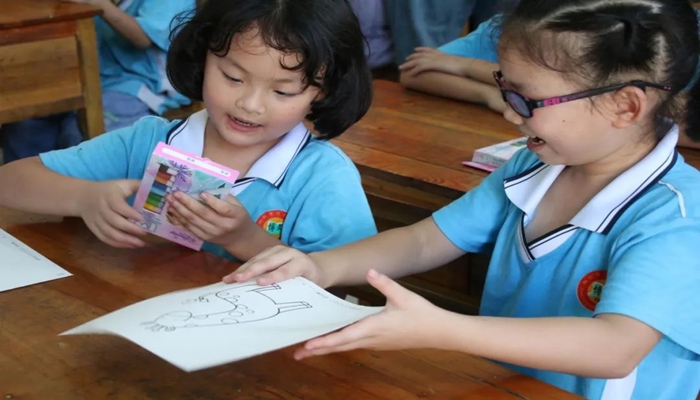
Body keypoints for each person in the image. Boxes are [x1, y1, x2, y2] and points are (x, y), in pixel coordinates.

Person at [228, 1, 700, 398]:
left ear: (624, 106)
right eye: (504, 88)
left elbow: (615, 347)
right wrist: (320, 267)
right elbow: (425, 240)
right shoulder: (532, 166)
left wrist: (442, 329)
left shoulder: (675, 216)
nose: (510, 114)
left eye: (527, 100)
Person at [0, 0, 377, 262]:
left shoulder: (322, 176)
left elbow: (342, 281)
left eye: (283, 92)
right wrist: (84, 198)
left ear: (322, 92)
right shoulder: (146, 142)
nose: (250, 104)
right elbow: (10, 181)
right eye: (232, 77)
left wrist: (245, 239)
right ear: (202, 58)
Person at [0, 0, 194, 163]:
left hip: (139, 86)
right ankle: (28, 192)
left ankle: (77, 193)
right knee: (25, 124)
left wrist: (100, 4)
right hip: (84, 77)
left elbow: (142, 38)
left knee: (78, 132)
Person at [399, 15, 504, 112]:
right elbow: (411, 73)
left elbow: (513, 81)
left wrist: (468, 66)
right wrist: (487, 93)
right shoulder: (496, 27)